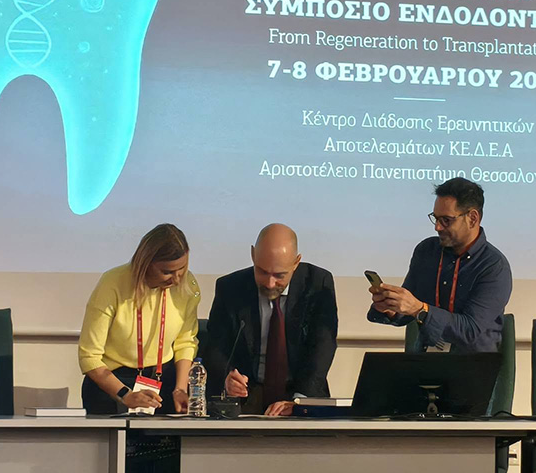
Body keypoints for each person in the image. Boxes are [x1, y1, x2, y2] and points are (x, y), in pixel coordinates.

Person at [204, 223, 337, 416]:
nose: (269, 283)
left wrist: (300, 402)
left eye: (279, 275)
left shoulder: (318, 284)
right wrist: (227, 377)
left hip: (300, 391)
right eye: (262, 271)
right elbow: (216, 346)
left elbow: (323, 346)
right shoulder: (230, 287)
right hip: (247, 396)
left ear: (296, 263)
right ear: (253, 255)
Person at [368, 177, 511, 352]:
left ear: (472, 218)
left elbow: (470, 330)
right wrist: (390, 307)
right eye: (435, 218)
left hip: (472, 363)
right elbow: (409, 307)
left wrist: (420, 309)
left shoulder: (494, 266)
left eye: (446, 220)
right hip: (426, 358)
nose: (437, 227)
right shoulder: (427, 251)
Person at [78, 223, 201, 414]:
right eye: (167, 272)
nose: (176, 279)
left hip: (163, 382)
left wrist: (181, 389)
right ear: (146, 263)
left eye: (182, 269)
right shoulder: (112, 283)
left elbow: (185, 342)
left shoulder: (187, 285)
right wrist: (125, 394)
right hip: (112, 384)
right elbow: (89, 357)